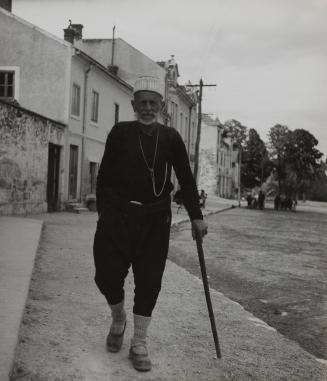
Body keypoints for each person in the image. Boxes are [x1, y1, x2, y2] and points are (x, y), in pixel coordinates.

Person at [93, 76, 208, 372]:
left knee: (149, 282)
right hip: (118, 218)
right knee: (106, 275)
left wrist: (196, 216)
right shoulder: (119, 133)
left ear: (161, 107)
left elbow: (186, 179)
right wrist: (104, 213)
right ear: (133, 105)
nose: (147, 108)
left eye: (152, 103)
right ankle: (118, 319)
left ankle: (139, 342)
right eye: (141, 103)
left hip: (155, 220)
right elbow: (103, 178)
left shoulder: (171, 138)